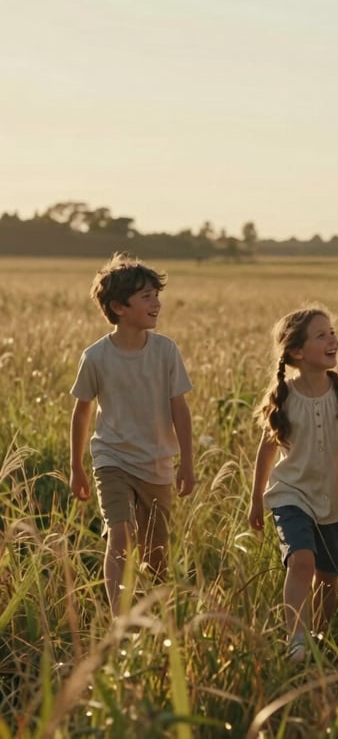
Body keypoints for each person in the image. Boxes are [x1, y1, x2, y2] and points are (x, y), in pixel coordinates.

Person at [249, 306, 338, 663]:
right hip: (291, 493)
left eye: (332, 332)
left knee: (327, 577)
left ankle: (319, 638)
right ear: (297, 351)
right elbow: (267, 453)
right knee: (301, 561)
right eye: (322, 335)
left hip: (336, 496)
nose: (333, 340)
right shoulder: (283, 396)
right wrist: (255, 502)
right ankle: (296, 638)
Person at [69, 252, 194, 617]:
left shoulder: (166, 350)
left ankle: (157, 619)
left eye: (157, 295)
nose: (157, 303)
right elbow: (82, 412)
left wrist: (186, 462)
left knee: (156, 555)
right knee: (120, 536)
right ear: (118, 307)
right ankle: (119, 621)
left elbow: (179, 410)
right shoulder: (95, 357)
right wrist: (78, 467)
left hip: (157, 463)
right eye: (147, 297)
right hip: (112, 459)